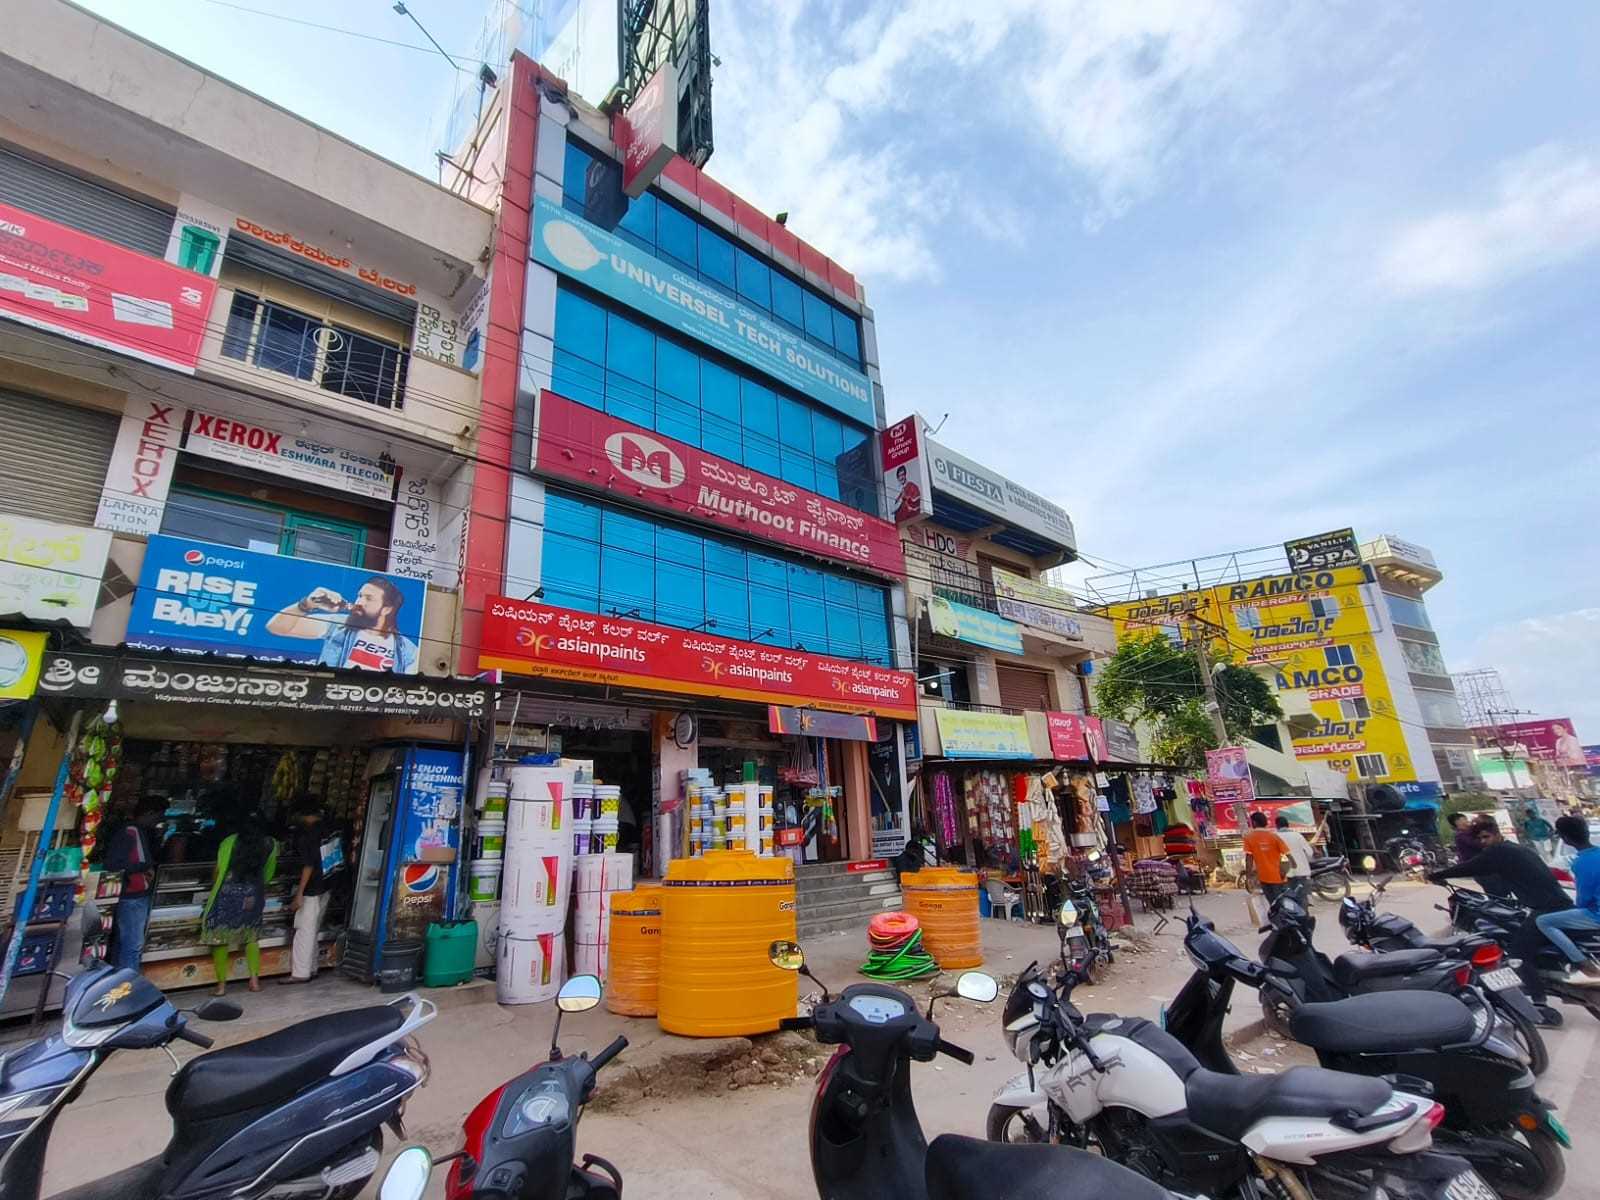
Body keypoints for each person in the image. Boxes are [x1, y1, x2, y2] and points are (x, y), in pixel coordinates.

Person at [1430, 815, 1572, 1002]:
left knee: (1518, 952)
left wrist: (1437, 875)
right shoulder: (1516, 849)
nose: (1483, 842)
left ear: (1497, 834)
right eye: (1479, 839)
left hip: (1546, 908)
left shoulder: (1499, 851)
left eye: (1486, 837)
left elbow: (1471, 867)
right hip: (1555, 903)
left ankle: (1539, 1002)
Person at [265, 577, 417, 673]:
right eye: (359, 596)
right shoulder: (339, 625)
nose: (359, 602)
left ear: (387, 609)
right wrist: (307, 604)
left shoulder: (407, 651)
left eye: (368, 598)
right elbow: (276, 627)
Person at [202, 820, 277, 995]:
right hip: (254, 895)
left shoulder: (229, 841)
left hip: (227, 894)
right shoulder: (271, 843)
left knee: (220, 938)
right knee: (251, 937)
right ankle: (255, 981)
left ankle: (221, 987)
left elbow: (219, 870)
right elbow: (269, 872)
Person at [102, 796, 165, 972]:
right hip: (132, 895)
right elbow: (114, 864)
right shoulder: (131, 831)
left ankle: (117, 979)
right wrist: (145, 867)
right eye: (159, 815)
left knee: (124, 942)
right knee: (132, 944)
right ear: (149, 813)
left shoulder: (137, 831)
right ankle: (127, 986)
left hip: (132, 894)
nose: (159, 820)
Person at [1534, 816, 1600, 984]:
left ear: (1565, 839)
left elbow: (1584, 899)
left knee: (1543, 921)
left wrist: (1576, 908)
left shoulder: (1580, 863)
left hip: (1596, 915)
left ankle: (1583, 963)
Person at [282, 796, 333, 984]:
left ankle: (300, 973)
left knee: (304, 929)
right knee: (314, 928)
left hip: (312, 888)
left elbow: (308, 865)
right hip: (327, 885)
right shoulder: (329, 829)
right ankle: (312, 967)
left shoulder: (307, 834)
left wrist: (299, 893)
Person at [1242, 811, 1289, 903]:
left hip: (1264, 877)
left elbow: (1249, 860)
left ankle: (1277, 916)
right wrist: (1285, 870)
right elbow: (1287, 855)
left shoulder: (1249, 838)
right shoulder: (1274, 836)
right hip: (1279, 876)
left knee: (1272, 903)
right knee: (1282, 902)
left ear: (1254, 822)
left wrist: (1248, 877)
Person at [1274, 814, 1314, 904]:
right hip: (1302, 872)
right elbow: (1310, 852)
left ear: (1277, 826)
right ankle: (1304, 916)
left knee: (1289, 900)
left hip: (1285, 873)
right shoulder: (1298, 835)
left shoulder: (1275, 837)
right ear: (1288, 824)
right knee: (1302, 898)